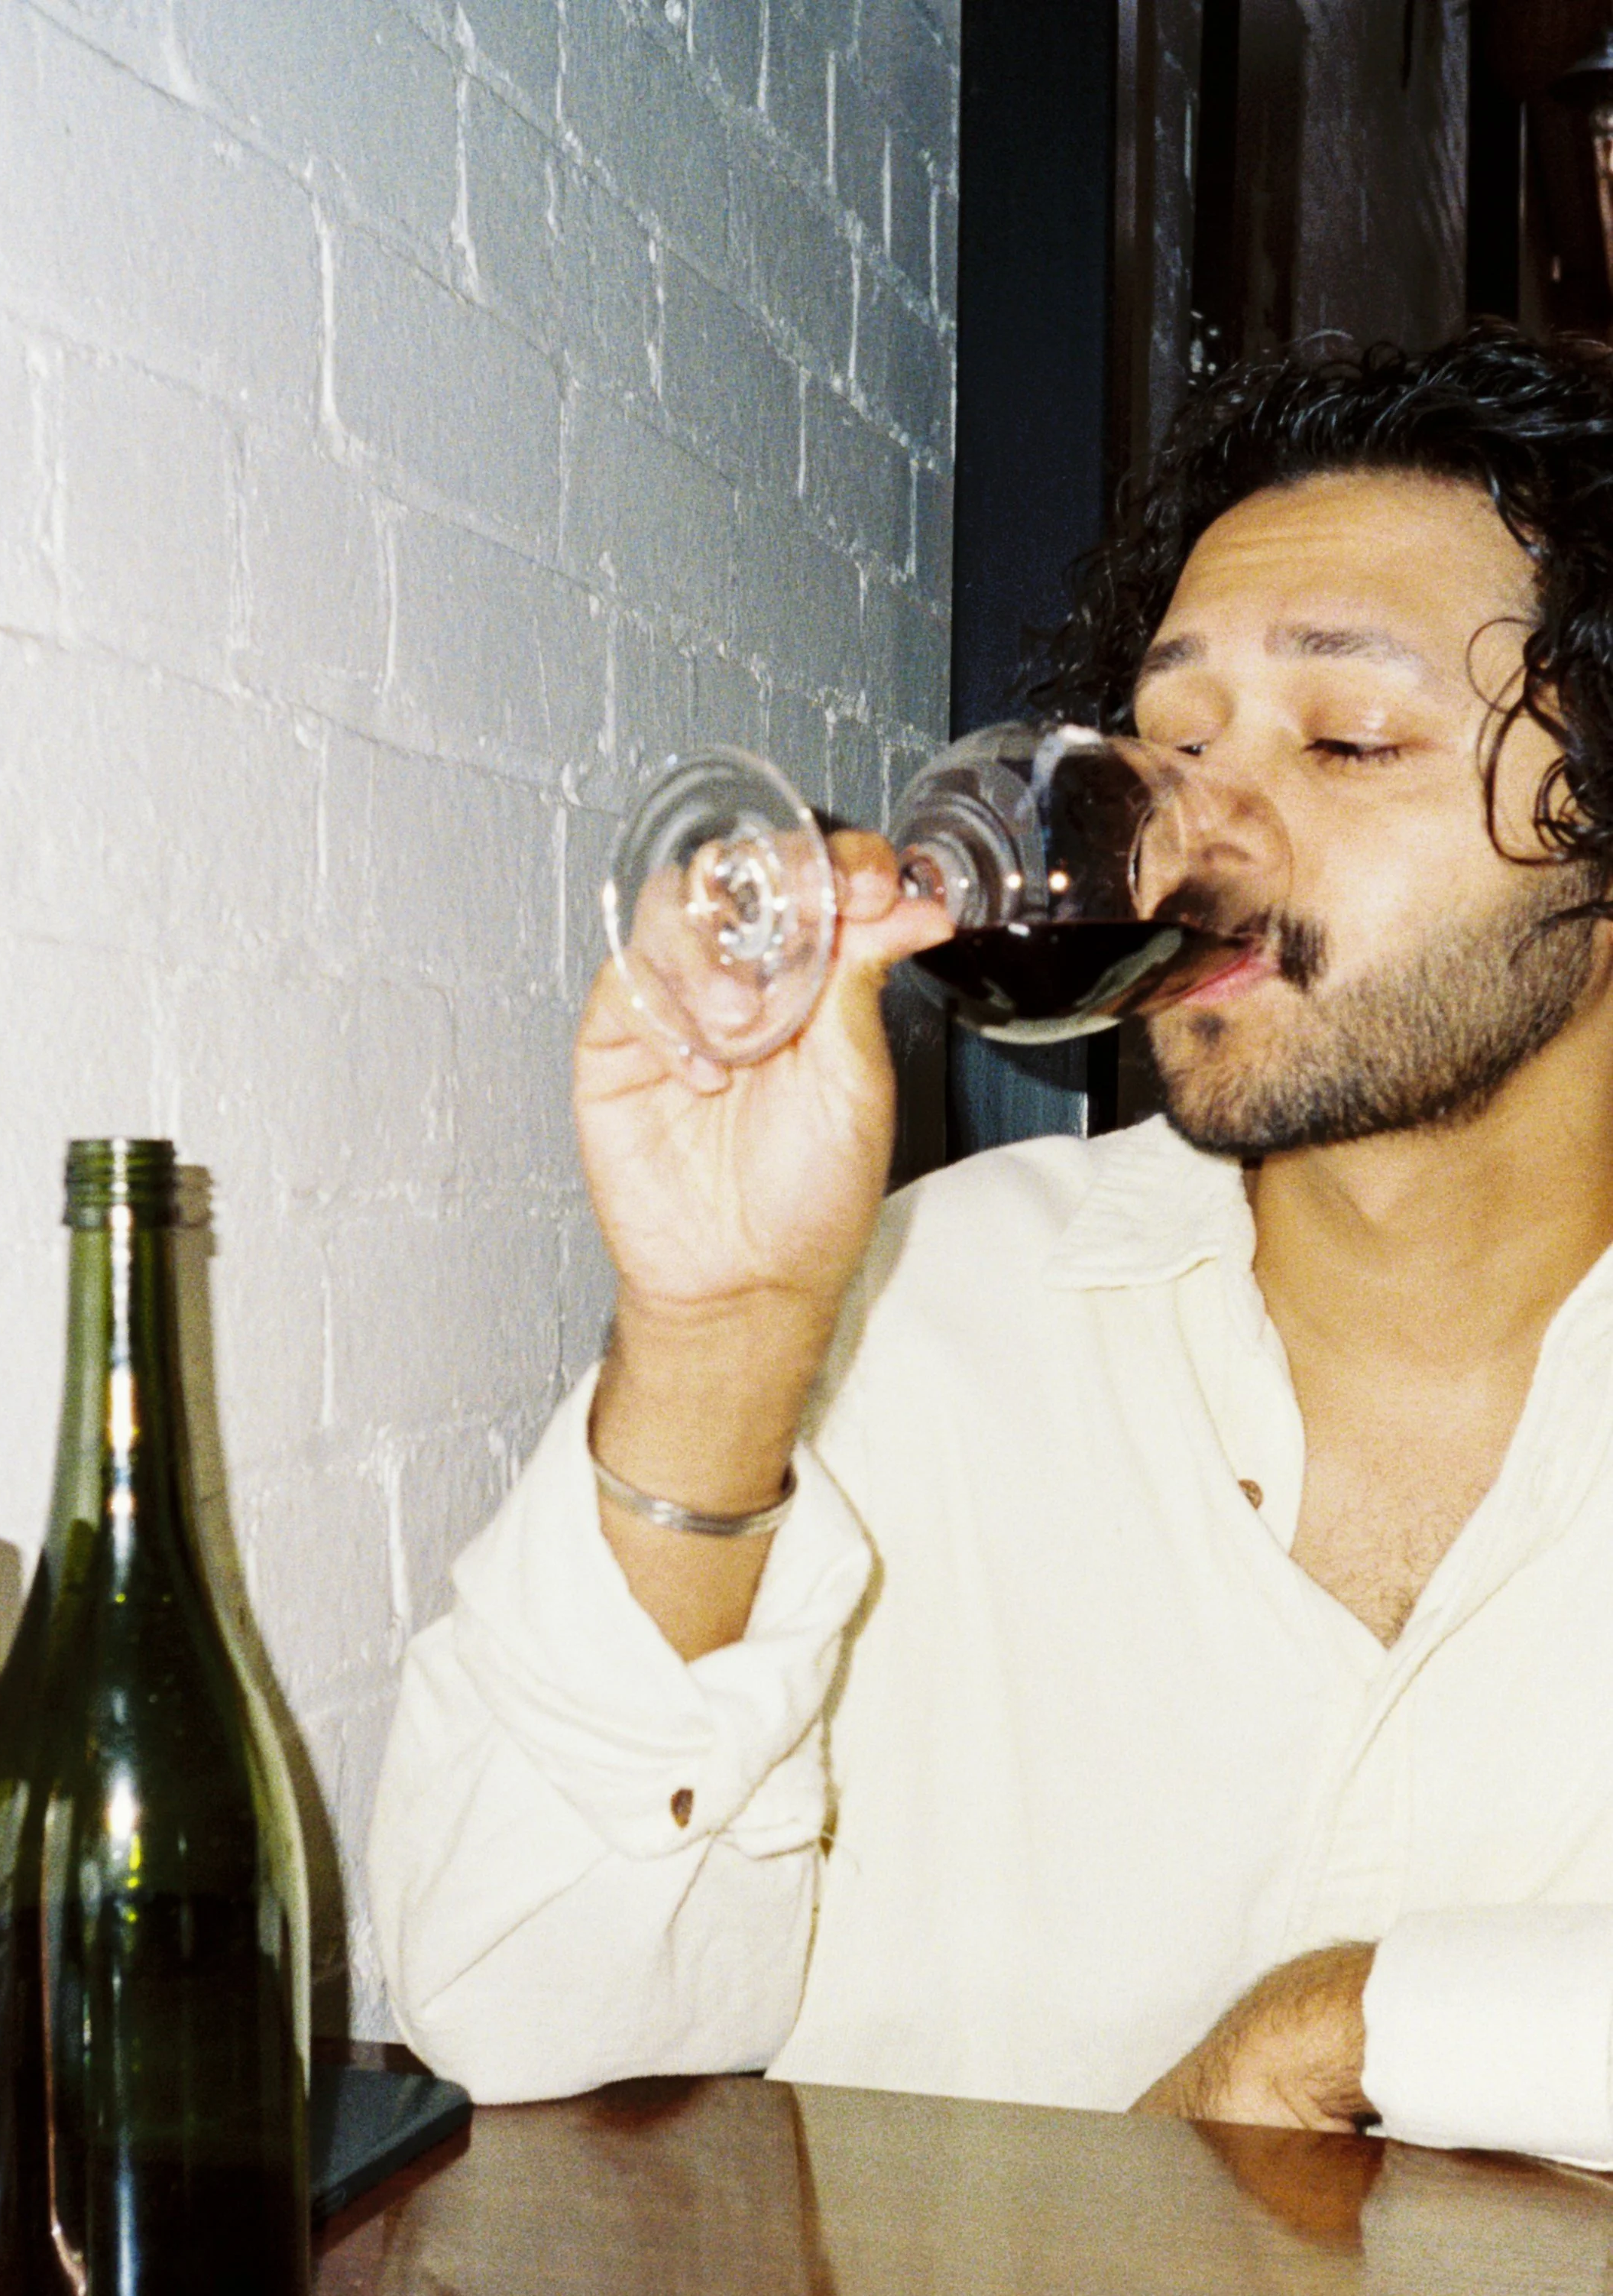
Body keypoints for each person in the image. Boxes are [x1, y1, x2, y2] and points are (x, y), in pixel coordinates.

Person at [368, 326, 1613, 2160]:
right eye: (1168, 746)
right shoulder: (917, 1315)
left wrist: (1362, 2024)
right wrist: (716, 1344)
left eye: (1346, 739)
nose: (1185, 839)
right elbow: (500, 2011)